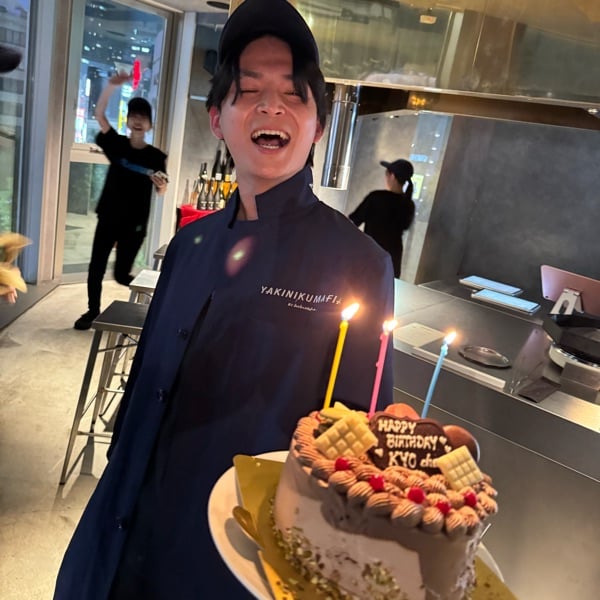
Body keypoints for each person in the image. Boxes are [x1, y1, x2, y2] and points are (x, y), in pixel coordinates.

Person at [54, 1, 394, 598]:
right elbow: (144, 384)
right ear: (217, 119)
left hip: (230, 561)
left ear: (317, 126)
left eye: (293, 95)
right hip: (118, 536)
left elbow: (359, 450)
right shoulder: (190, 244)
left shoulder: (360, 266)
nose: (270, 107)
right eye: (249, 91)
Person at [73, 74, 168, 330]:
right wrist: (112, 86)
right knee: (96, 267)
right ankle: (92, 310)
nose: (137, 120)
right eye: (133, 115)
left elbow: (162, 190)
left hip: (134, 224)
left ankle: (158, 302)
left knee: (121, 274)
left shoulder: (156, 156)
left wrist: (161, 185)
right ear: (128, 120)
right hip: (109, 216)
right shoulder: (116, 145)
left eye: (143, 117)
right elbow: (99, 115)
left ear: (149, 125)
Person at [349, 158, 416, 278]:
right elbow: (405, 226)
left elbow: (352, 222)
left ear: (392, 176)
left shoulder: (376, 198)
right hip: (392, 260)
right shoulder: (408, 204)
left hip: (370, 257)